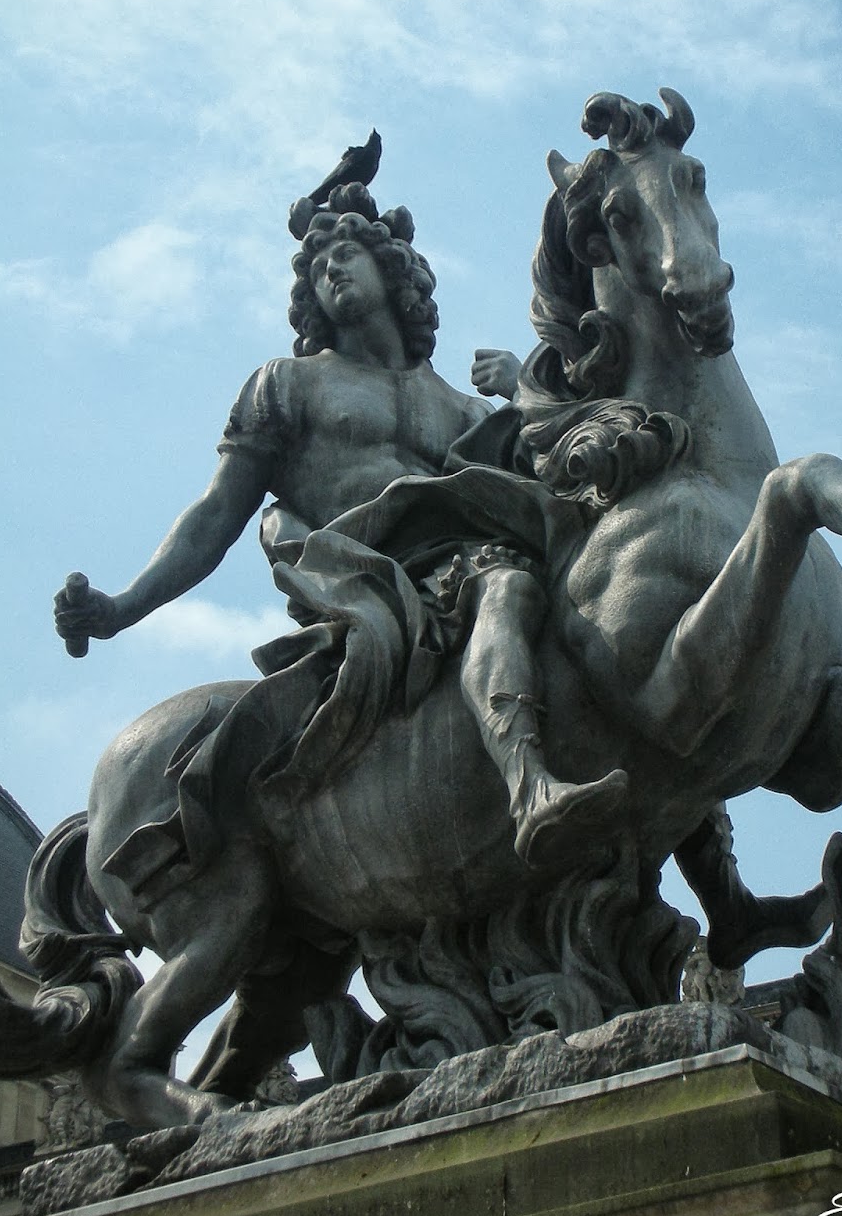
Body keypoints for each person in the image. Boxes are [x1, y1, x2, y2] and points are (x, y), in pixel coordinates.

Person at [55, 173, 627, 875]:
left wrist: (527, 389)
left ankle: (717, 888)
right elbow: (214, 516)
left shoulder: (466, 411)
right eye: (319, 268)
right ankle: (529, 786)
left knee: (618, 618)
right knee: (504, 586)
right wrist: (120, 608)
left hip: (469, 551)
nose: (330, 269)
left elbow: (565, 486)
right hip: (370, 573)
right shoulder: (288, 384)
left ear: (394, 272)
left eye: (346, 255)